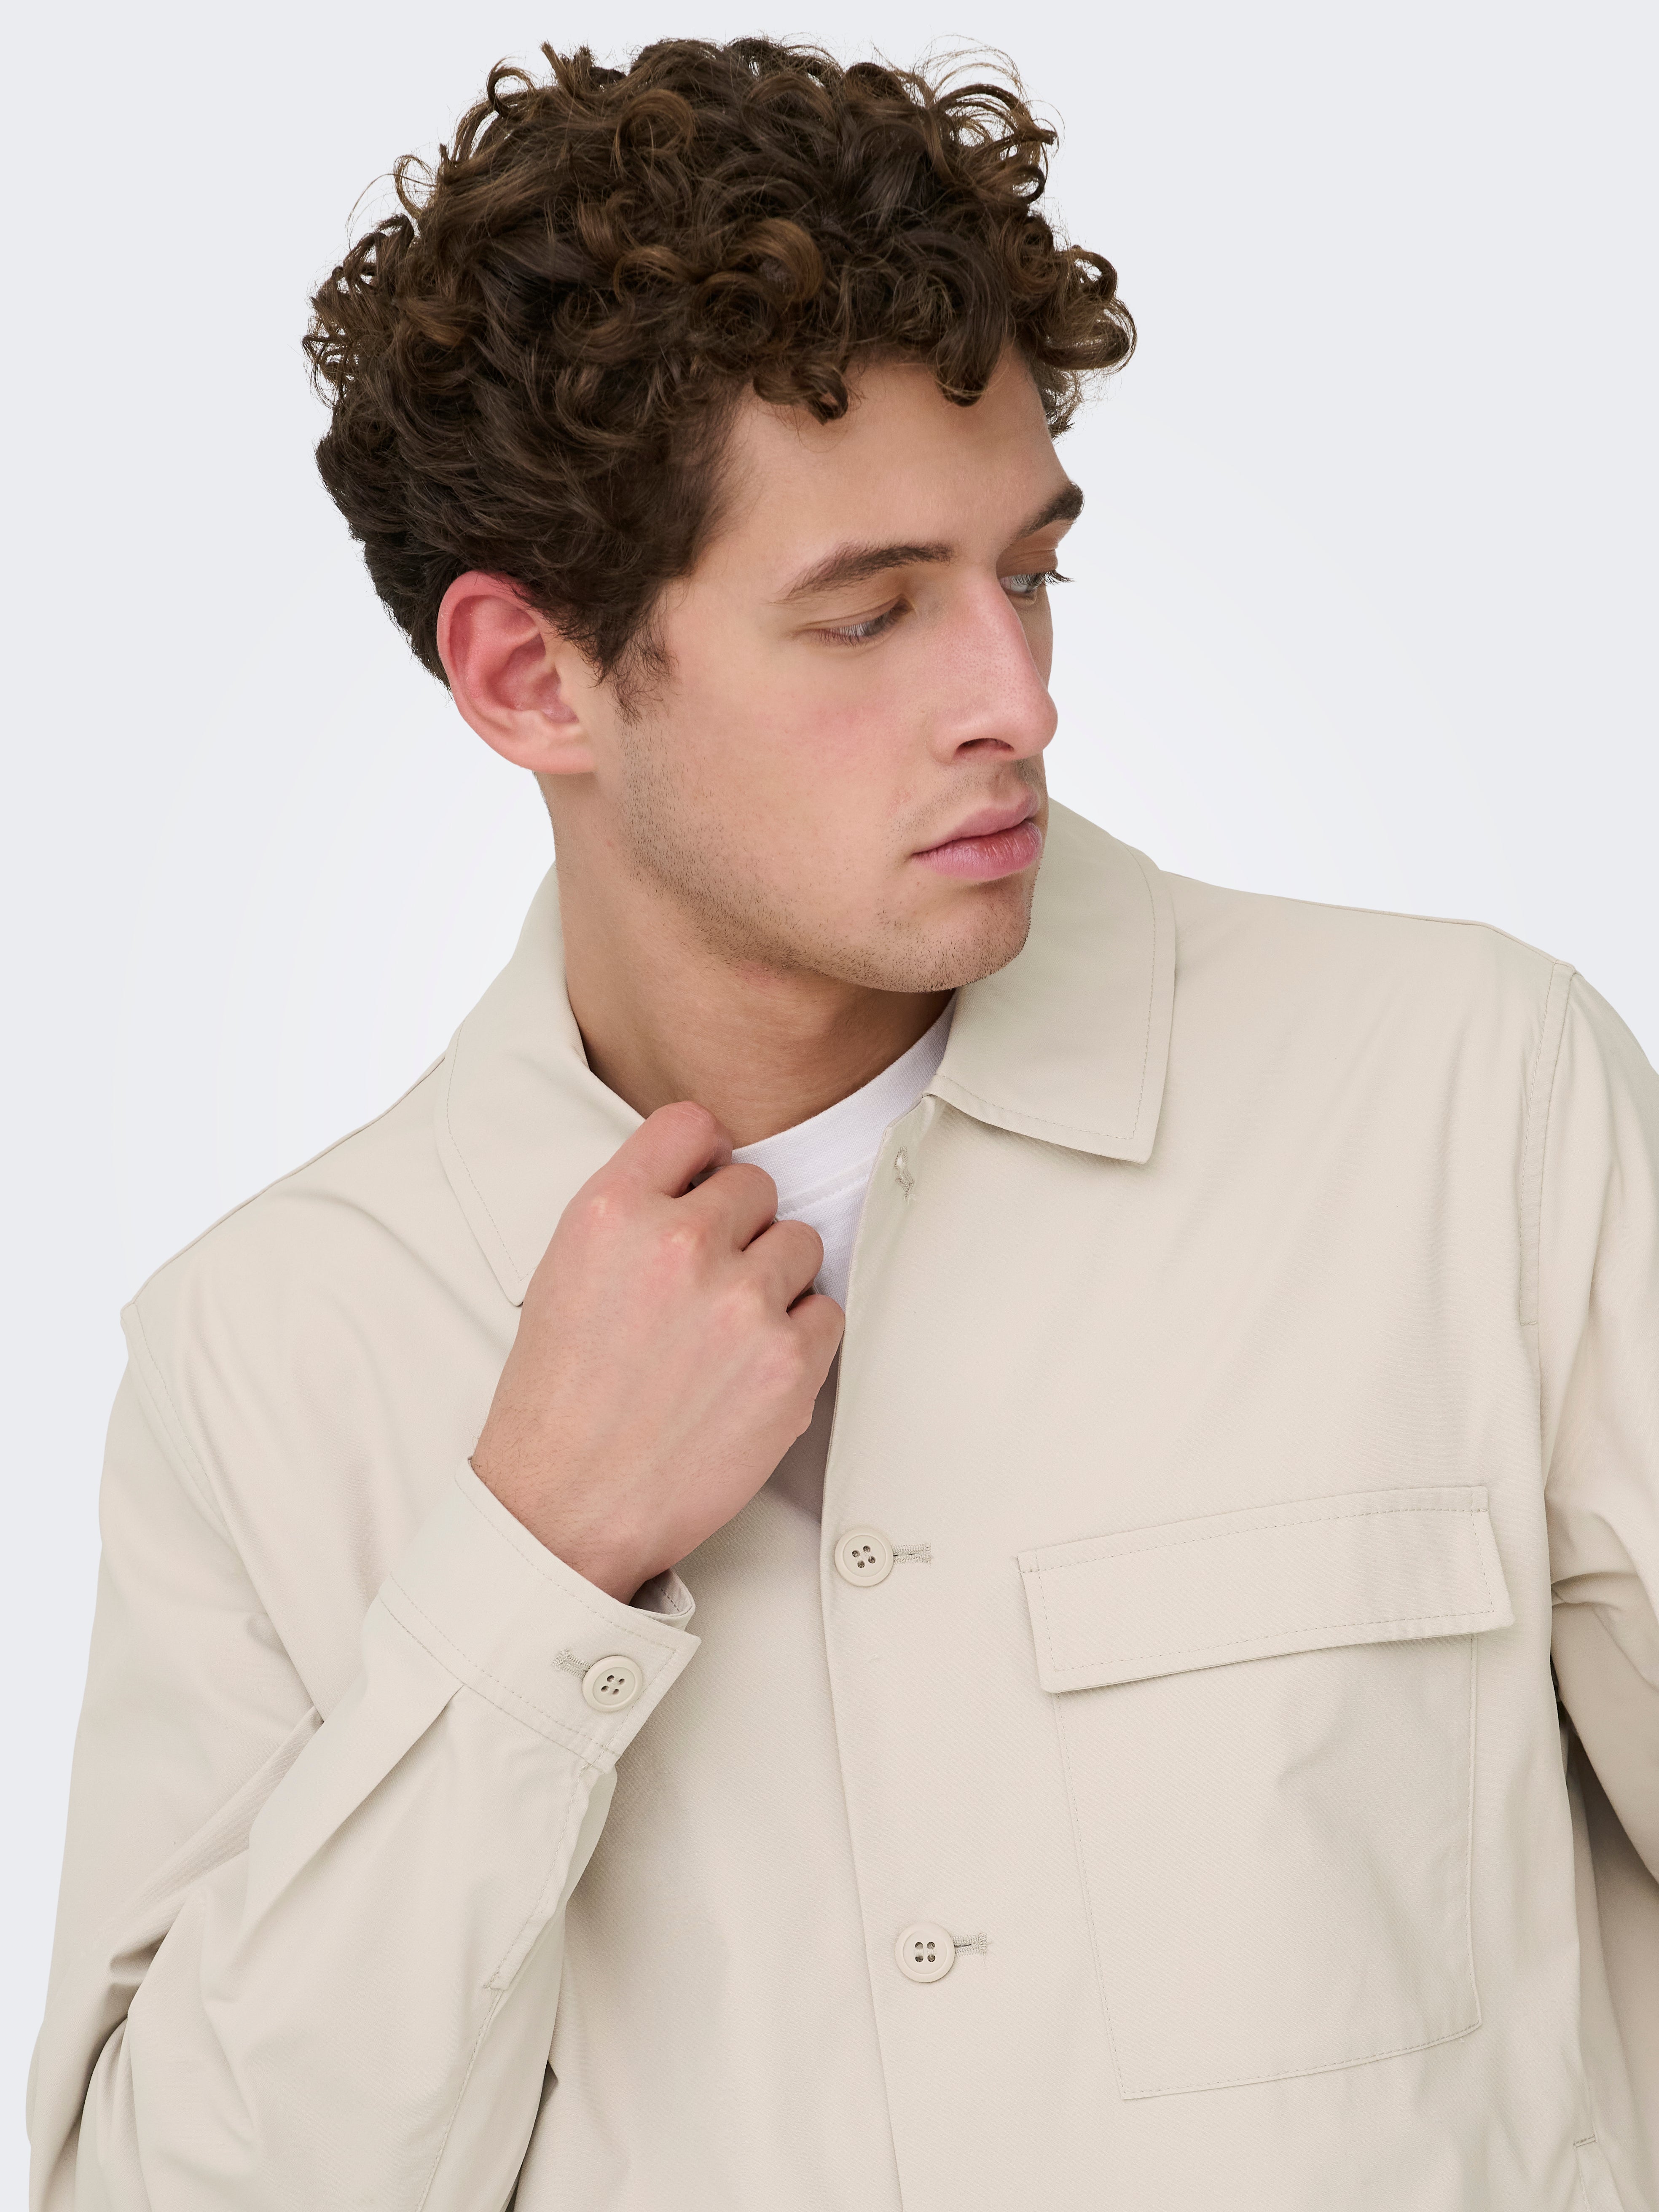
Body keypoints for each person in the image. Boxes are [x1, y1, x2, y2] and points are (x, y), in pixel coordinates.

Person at [27, 35, 1659, 2212]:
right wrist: (532, 1565)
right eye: (871, 613)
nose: (1018, 700)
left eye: (1030, 574)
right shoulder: (270, 1360)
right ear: (529, 676)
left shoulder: (1472, 1109)